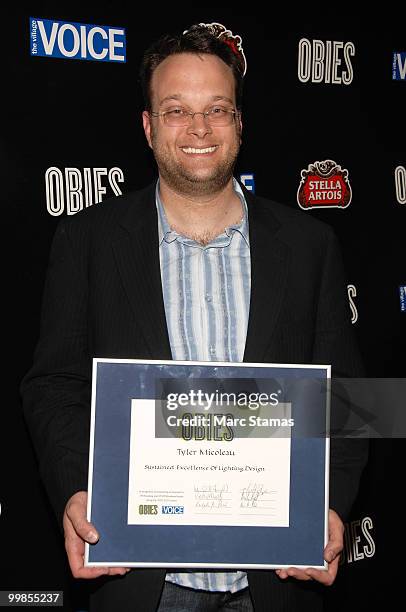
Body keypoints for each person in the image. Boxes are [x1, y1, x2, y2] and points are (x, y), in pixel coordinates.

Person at [21, 23, 367, 612]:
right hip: (142, 578)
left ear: (240, 124)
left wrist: (329, 504)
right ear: (149, 126)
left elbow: (354, 399)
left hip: (274, 579)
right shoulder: (87, 241)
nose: (199, 128)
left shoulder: (312, 244)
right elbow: (53, 384)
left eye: (218, 109)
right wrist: (78, 488)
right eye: (177, 109)